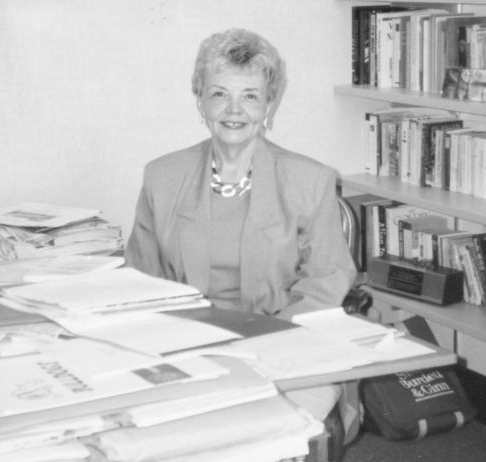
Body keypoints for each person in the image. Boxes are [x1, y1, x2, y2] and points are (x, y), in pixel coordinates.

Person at [125, 27, 358, 429]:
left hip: (285, 342)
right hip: (185, 345)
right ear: (200, 101)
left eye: (249, 96)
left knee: (264, 433)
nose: (234, 111)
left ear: (269, 105)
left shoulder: (309, 180)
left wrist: (265, 345)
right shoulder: (162, 177)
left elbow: (327, 279)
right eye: (219, 94)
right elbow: (142, 278)